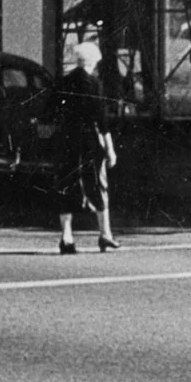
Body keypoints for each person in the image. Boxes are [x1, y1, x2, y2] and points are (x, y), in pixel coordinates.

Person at [53, 38, 119, 254]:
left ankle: (66, 236)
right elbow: (102, 120)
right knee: (98, 184)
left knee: (66, 183)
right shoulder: (94, 84)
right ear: (92, 62)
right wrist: (110, 149)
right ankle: (105, 234)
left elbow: (51, 111)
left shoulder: (63, 82)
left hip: (66, 138)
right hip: (90, 139)